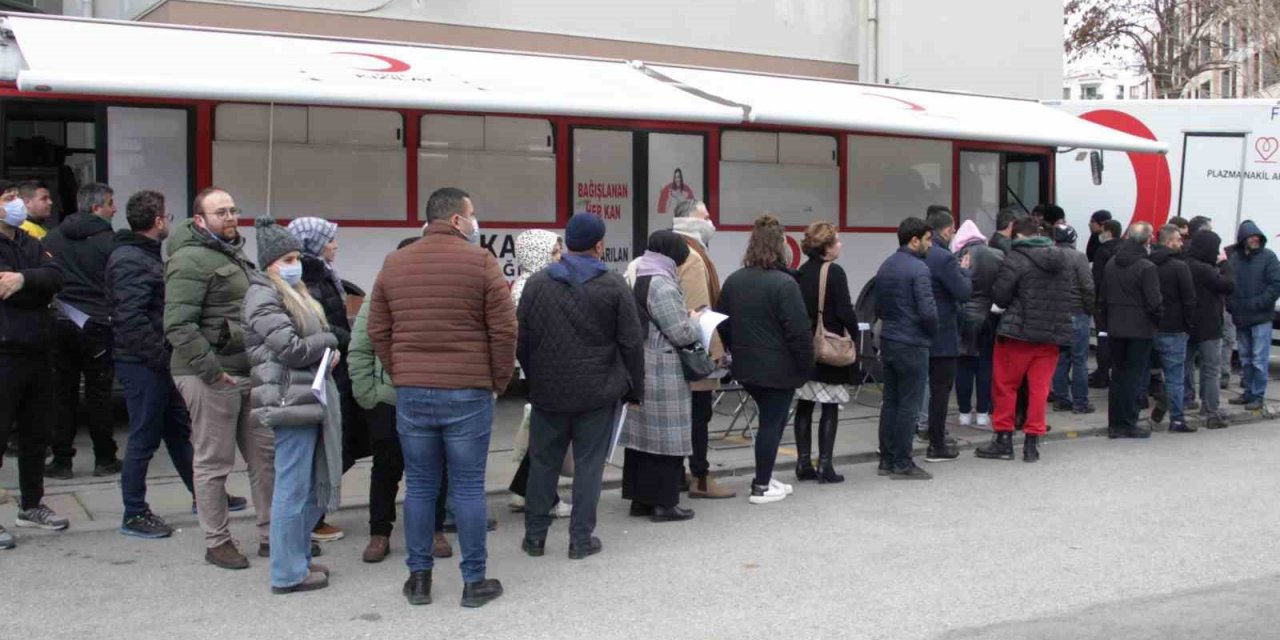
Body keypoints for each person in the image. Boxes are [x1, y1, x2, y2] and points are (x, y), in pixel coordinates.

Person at [368, 187, 515, 608]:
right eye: (472, 215)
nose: (475, 221)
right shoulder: (481, 261)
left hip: (413, 393)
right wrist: (497, 381)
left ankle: (419, 580)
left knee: (418, 487)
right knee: (468, 488)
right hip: (468, 391)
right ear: (455, 220)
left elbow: (378, 328)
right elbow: (504, 330)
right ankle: (474, 582)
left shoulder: (394, 263)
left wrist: (402, 371)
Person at [517, 212, 644, 557]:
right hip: (598, 392)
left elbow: (523, 341)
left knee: (543, 463)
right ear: (599, 246)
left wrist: (535, 378)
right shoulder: (613, 284)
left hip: (548, 393)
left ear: (567, 243)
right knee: (589, 465)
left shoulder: (537, 284)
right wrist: (635, 389)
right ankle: (581, 539)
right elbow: (631, 343)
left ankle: (534, 537)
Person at [166, 187, 275, 570]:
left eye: (233, 210)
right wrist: (213, 372)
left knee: (264, 458)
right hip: (211, 376)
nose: (230, 217)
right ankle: (217, 542)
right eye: (220, 212)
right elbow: (178, 325)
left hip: (247, 372)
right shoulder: (190, 260)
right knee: (214, 462)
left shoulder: (233, 252)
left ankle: (271, 536)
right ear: (200, 220)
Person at [243, 217, 341, 595]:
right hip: (288, 398)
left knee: (306, 484)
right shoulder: (264, 295)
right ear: (269, 263)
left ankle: (297, 558)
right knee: (292, 487)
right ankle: (286, 572)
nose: (294, 263)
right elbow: (291, 348)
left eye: (296, 256)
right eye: (286, 258)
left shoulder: (292, 291)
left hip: (303, 396)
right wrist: (329, 341)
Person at [352, 237, 453, 564]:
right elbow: (360, 348)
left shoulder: (438, 297)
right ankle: (379, 532)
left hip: (434, 396)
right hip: (389, 401)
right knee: (386, 468)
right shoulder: (381, 295)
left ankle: (434, 530)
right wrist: (369, 395)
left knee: (436, 469)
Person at [108, 191, 196, 538]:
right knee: (143, 438)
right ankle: (134, 512)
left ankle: (201, 495)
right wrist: (161, 359)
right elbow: (130, 319)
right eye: (167, 217)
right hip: (143, 363)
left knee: (177, 431)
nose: (168, 223)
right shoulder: (130, 258)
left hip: (157, 361)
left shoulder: (144, 255)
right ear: (158, 221)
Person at [977, 217, 1089, 463]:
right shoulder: (1063, 260)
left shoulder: (1016, 258)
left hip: (1017, 333)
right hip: (1050, 335)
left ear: (1017, 236)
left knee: (1006, 387)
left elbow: (1002, 297)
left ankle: (1004, 441)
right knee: (1039, 390)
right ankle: (1031, 445)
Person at [718, 214, 814, 498]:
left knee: (768, 422)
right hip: (778, 369)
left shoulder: (734, 280)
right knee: (772, 425)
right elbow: (799, 333)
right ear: (780, 246)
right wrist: (805, 368)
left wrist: (736, 350)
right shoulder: (785, 284)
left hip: (747, 367)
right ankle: (761, 485)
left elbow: (722, 323)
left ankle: (767, 478)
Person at [0, 183, 68, 549]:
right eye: (8, 199)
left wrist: (24, 279)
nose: (16, 205)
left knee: (35, 434)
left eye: (16, 198)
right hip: (5, 352)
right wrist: (35, 286)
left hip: (39, 350)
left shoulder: (28, 241)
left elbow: (56, 276)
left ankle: (31, 505)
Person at [620, 230, 703, 521]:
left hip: (643, 363)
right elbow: (679, 332)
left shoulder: (640, 273)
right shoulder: (662, 284)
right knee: (667, 438)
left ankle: (640, 500)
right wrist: (695, 321)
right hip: (663, 367)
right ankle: (664, 504)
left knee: (642, 440)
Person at [42, 182, 121, 479]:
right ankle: (105, 458)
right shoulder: (111, 242)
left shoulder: (51, 239)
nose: (114, 209)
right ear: (96, 207)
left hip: (60, 322)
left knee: (63, 393)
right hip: (98, 325)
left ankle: (61, 461)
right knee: (99, 394)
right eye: (111, 203)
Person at [287, 216, 355, 543]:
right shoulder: (311, 280)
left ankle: (314, 513)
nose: (335, 244)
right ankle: (312, 518)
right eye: (329, 239)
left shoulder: (322, 274)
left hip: (334, 365)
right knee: (325, 445)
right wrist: (350, 337)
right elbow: (319, 326)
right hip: (324, 368)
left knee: (339, 443)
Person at [506, 229, 573, 517]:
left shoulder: (526, 283)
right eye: (555, 252)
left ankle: (523, 489)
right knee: (550, 437)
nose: (561, 257)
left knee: (542, 435)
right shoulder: (535, 286)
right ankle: (546, 499)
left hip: (539, 370)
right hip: (547, 371)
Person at [671, 199, 734, 499]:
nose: (712, 223)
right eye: (706, 217)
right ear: (690, 221)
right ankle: (700, 476)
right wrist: (716, 352)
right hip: (692, 352)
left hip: (669, 350)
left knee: (682, 416)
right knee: (699, 415)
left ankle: (679, 473)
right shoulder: (694, 257)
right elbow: (700, 310)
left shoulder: (670, 249)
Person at [793, 221, 858, 482]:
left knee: (804, 405)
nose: (841, 244)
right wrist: (852, 332)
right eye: (837, 241)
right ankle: (825, 466)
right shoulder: (835, 272)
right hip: (829, 348)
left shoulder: (801, 271)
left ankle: (802, 463)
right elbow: (845, 311)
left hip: (806, 348)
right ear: (827, 247)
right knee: (830, 407)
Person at [872, 217, 937, 479]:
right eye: (928, 240)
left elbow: (878, 306)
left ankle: (886, 459)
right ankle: (902, 462)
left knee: (891, 401)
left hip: (889, 339)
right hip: (912, 342)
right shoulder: (919, 269)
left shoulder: (886, 265)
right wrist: (931, 332)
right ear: (914, 240)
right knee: (909, 404)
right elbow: (928, 311)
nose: (930, 245)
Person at [1101, 222, 1162, 439]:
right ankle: (1128, 422)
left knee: (1118, 376)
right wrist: (1157, 321)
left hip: (1116, 327)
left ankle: (1115, 423)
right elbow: (1154, 303)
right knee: (1134, 377)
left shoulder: (1111, 263)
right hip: (1140, 329)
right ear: (1147, 240)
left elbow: (1104, 297)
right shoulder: (1146, 267)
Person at [953, 220, 1004, 430]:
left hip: (964, 317)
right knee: (986, 366)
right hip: (989, 317)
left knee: (963, 366)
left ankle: (964, 413)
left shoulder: (957, 257)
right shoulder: (998, 255)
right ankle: (983, 413)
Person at [1226, 220, 1280, 411]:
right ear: (1243, 239)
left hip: (1261, 318)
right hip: (1242, 317)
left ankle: (1257, 395)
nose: (1255, 239)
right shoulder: (1235, 259)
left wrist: (1257, 303)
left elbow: (1276, 286)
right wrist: (1231, 305)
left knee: (1259, 359)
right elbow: (1228, 285)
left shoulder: (1269, 257)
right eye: (1251, 236)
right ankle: (1248, 392)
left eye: (1257, 236)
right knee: (1245, 358)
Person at [1149, 224, 1197, 432]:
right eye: (1178, 239)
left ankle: (1142, 414)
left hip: (1149, 327)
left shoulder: (1146, 263)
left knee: (1142, 374)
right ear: (1169, 242)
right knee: (1175, 376)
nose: (1181, 243)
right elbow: (1189, 299)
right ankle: (1177, 419)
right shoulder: (1179, 266)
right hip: (1174, 328)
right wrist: (1188, 324)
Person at [1186, 230, 1234, 429]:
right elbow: (1229, 285)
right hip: (1208, 324)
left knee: (1186, 365)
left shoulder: (1185, 263)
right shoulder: (1205, 269)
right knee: (1210, 368)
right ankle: (1210, 408)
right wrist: (1224, 264)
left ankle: (1187, 398)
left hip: (1187, 323)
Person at [1050, 224, 1097, 414]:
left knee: (1060, 359)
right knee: (1079, 359)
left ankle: (1061, 399)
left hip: (1055, 313)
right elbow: (1087, 286)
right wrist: (1089, 309)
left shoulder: (1048, 256)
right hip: (1077, 312)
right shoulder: (1079, 257)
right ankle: (1080, 402)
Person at [1089, 219, 1123, 388]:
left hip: (1103, 304)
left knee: (1103, 337)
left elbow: (1097, 278)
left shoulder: (1102, 251)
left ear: (1108, 232)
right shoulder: (1124, 248)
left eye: (1102, 231)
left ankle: (1102, 373)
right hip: (1120, 304)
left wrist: (1095, 301)